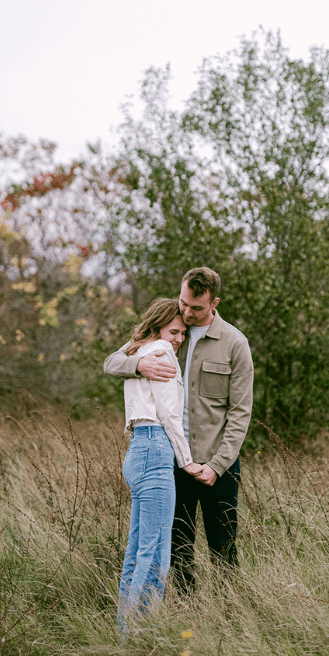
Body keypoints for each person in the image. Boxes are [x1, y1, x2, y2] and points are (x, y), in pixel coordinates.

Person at [103, 267, 253, 592]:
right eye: (184, 302)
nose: (187, 313)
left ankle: (232, 620)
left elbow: (240, 413)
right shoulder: (168, 327)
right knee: (178, 550)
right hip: (173, 462)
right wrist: (138, 365)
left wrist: (217, 466)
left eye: (196, 308)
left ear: (214, 303)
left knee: (224, 549)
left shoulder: (234, 343)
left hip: (218, 465)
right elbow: (112, 362)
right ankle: (186, 619)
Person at [115, 298, 203, 631]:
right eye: (174, 331)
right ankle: (141, 634)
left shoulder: (136, 353)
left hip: (137, 449)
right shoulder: (162, 352)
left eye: (182, 333)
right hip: (155, 449)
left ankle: (125, 632)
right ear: (159, 327)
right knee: (155, 555)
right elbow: (169, 415)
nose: (178, 339)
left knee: (137, 552)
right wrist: (188, 461)